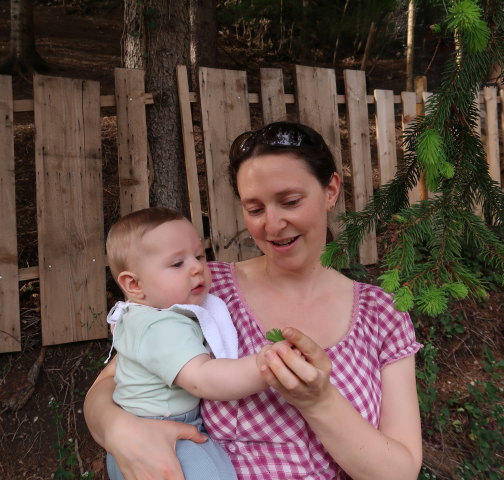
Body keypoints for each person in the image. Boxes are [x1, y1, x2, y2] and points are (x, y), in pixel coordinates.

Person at [85, 121, 423, 480]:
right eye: (256, 209)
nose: (273, 224)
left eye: (290, 201)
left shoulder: (380, 313)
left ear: (330, 190)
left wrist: (319, 401)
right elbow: (111, 384)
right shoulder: (202, 289)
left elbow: (399, 472)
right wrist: (120, 432)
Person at [103, 207, 269, 480]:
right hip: (158, 436)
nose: (197, 267)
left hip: (148, 429)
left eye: (200, 256)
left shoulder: (141, 315)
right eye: (177, 263)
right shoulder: (160, 326)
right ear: (134, 284)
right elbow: (202, 378)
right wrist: (263, 366)